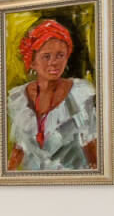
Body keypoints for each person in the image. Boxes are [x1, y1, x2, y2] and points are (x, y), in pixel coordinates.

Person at [6, 17, 98, 171]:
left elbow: (93, 152)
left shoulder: (79, 96)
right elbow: (18, 150)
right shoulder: (19, 99)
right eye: (46, 56)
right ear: (33, 61)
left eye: (60, 55)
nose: (54, 62)